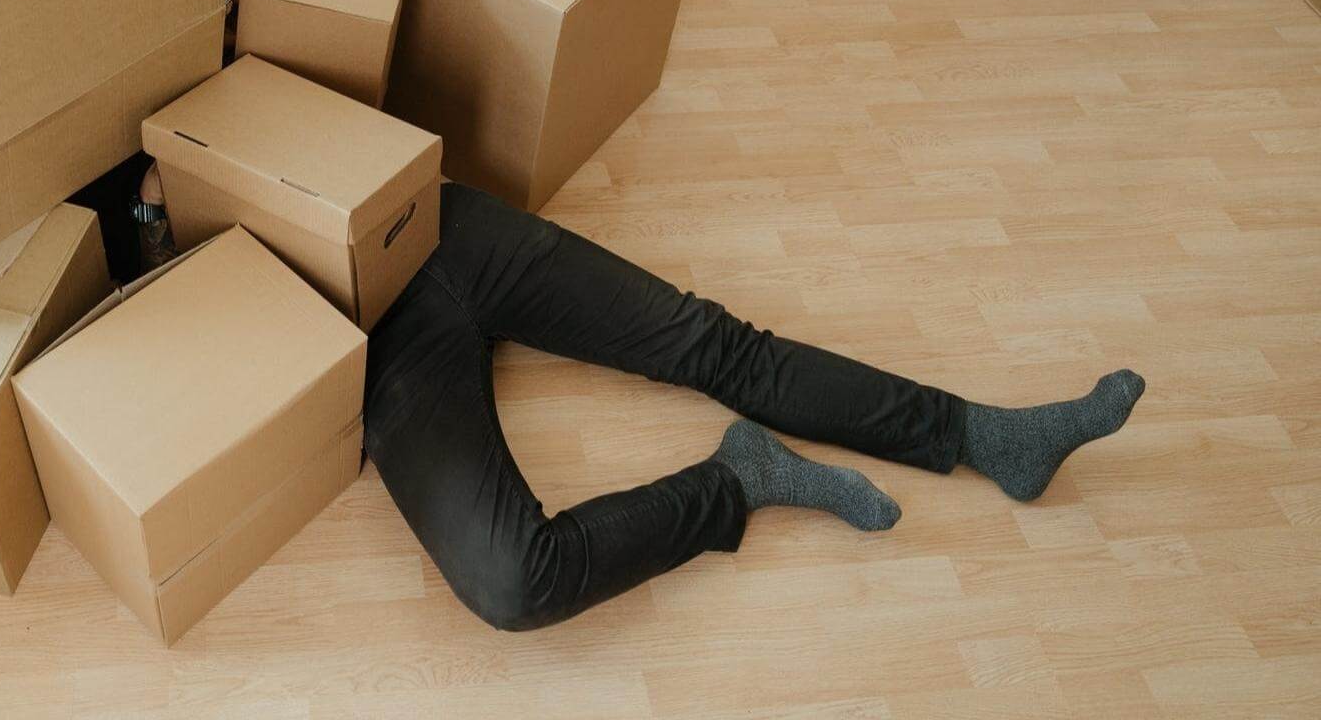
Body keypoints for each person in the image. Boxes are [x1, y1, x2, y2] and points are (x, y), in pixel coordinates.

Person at [127, 169, 1146, 632]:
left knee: (710, 341)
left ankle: (987, 434)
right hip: (356, 337)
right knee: (511, 583)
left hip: (420, 221)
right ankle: (734, 481)